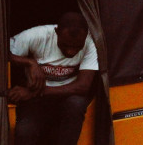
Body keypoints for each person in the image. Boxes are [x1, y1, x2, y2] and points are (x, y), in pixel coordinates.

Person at [10, 12, 98, 145]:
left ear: (86, 35)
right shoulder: (38, 35)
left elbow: (82, 86)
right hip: (36, 99)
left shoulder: (90, 43)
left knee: (77, 104)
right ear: (56, 32)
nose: (71, 52)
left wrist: (33, 93)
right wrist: (29, 62)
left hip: (64, 95)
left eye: (77, 47)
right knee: (25, 131)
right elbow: (1, 51)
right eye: (66, 45)